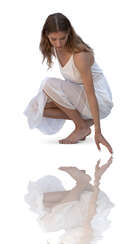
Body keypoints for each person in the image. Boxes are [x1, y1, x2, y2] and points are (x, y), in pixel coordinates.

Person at [24, 13, 114, 153]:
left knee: (47, 84)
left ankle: (82, 127)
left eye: (62, 38)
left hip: (99, 100)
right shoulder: (55, 48)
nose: (58, 44)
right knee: (37, 108)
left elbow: (90, 94)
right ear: (46, 35)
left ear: (69, 34)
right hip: (80, 97)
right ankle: (84, 123)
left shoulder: (80, 55)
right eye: (54, 39)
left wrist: (98, 131)